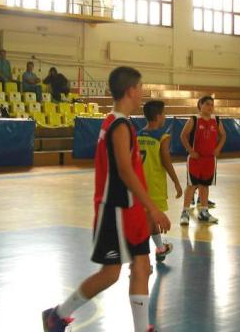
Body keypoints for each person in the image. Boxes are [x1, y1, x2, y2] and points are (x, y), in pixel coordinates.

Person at [42, 67, 170, 332]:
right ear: (131, 90)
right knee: (110, 274)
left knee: (142, 265)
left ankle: (142, 328)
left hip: (130, 209)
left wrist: (144, 209)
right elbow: (124, 171)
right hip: (114, 211)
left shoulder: (118, 122)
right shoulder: (119, 125)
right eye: (141, 87)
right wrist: (153, 208)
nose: (142, 92)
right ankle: (57, 315)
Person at [138, 100, 182, 263]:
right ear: (157, 116)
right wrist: (176, 182)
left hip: (139, 185)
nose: (165, 116)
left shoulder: (137, 135)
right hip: (154, 185)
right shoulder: (162, 137)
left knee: (149, 219)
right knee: (148, 222)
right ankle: (141, 260)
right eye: (164, 113)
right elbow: (166, 161)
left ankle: (160, 249)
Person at [179, 95, 226, 225]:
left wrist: (218, 148)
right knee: (191, 185)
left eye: (212, 105)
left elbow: (223, 135)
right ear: (200, 105)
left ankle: (204, 212)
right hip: (195, 159)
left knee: (205, 186)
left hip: (209, 159)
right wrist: (190, 150)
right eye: (207, 104)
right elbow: (183, 135)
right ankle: (185, 212)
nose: (210, 107)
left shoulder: (216, 120)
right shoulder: (194, 119)